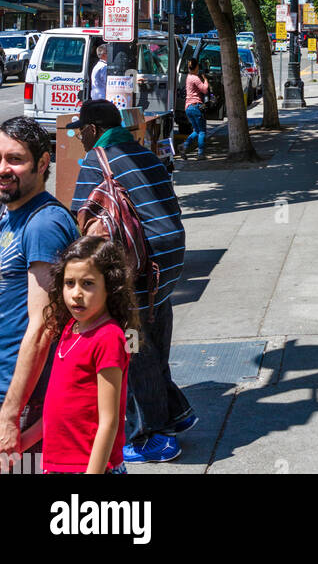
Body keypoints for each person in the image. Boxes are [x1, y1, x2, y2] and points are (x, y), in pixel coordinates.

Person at [68, 101, 193, 465]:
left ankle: (153, 436)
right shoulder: (145, 154)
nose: (78, 136)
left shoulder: (98, 160)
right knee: (150, 341)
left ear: (93, 129)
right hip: (165, 269)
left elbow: (81, 224)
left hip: (136, 271)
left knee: (132, 349)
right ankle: (177, 412)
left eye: (80, 130)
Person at [0, 118, 79, 460]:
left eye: (15, 159)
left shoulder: (44, 224)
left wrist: (10, 413)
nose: (3, 168)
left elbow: (44, 324)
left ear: (43, 163)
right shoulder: (10, 212)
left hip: (27, 399)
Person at [40, 235, 137, 475]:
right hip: (58, 465)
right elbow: (55, 408)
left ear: (110, 287)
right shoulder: (70, 329)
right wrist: (22, 440)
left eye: (88, 283)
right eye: (69, 283)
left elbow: (109, 421)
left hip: (91, 467)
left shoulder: (108, 338)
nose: (76, 293)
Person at [181, 56, 209, 159]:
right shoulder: (195, 78)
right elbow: (205, 90)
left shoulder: (188, 77)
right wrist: (205, 80)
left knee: (196, 131)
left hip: (188, 107)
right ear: (196, 67)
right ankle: (200, 153)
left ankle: (184, 146)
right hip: (196, 106)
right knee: (202, 131)